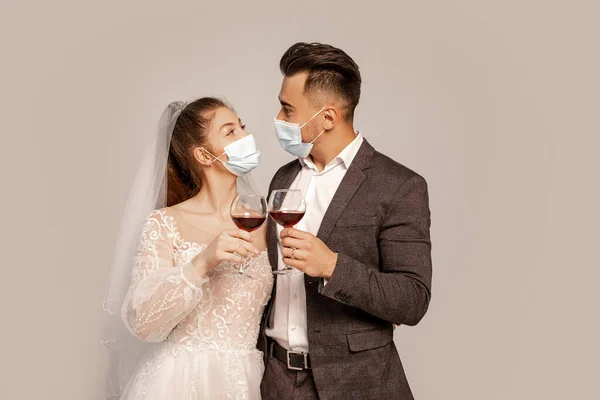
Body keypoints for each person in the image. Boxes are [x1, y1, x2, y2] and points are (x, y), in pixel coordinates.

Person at [259, 42, 433, 399]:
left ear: (327, 117)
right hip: (274, 381)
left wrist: (332, 266)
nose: (278, 119)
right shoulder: (282, 178)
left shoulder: (399, 186)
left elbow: (412, 299)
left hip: (357, 384)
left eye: (287, 109)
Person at [103, 97, 273, 400]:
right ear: (204, 155)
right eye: (230, 132)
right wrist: (202, 262)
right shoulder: (165, 222)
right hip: (177, 382)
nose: (246, 137)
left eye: (243, 128)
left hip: (246, 380)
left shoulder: (268, 223)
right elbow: (142, 323)